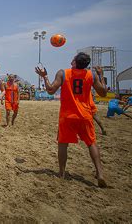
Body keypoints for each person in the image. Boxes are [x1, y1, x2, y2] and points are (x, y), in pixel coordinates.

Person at [35, 52, 108, 187]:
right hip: (85, 115)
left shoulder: (63, 73)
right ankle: (100, 174)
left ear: (75, 62)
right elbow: (103, 92)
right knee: (91, 143)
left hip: (67, 116)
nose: (70, 62)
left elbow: (50, 90)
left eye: (73, 60)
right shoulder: (91, 75)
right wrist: (101, 75)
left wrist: (44, 77)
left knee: (63, 144)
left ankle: (62, 173)